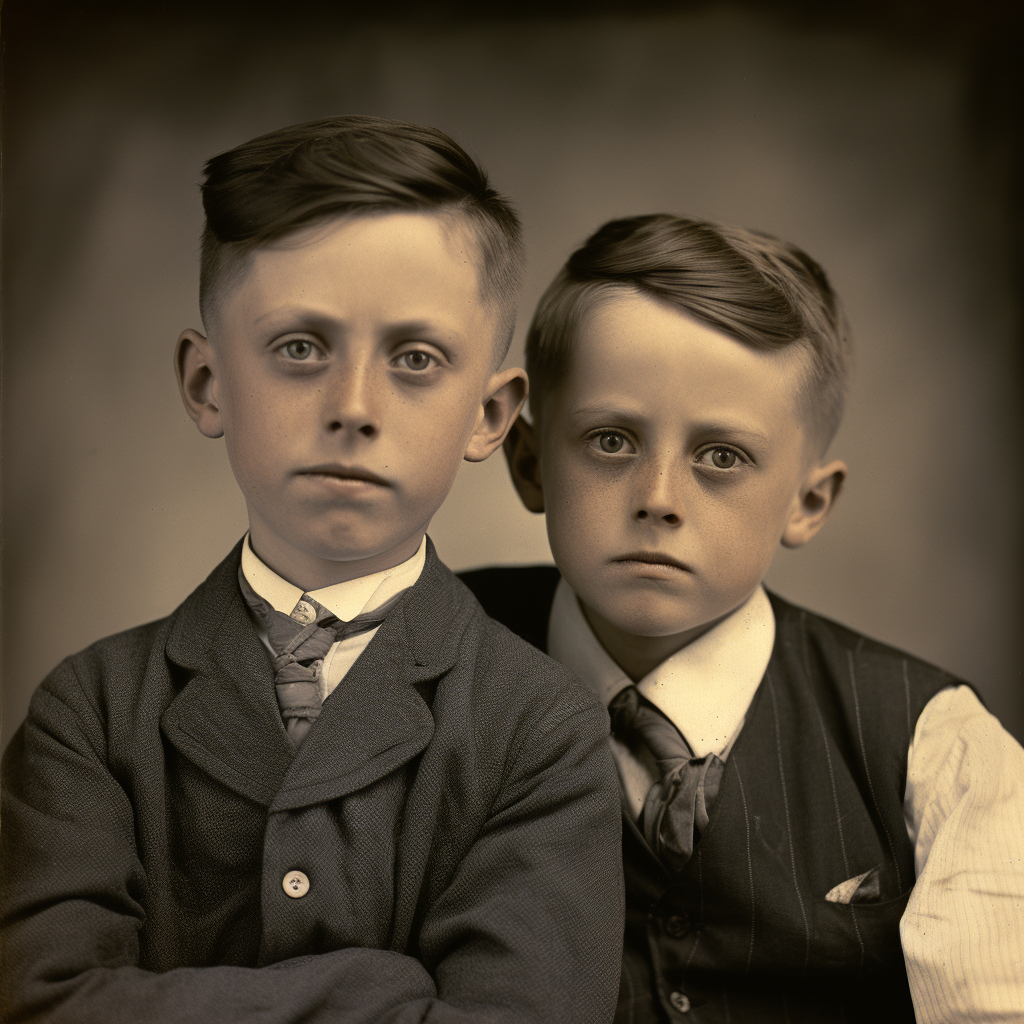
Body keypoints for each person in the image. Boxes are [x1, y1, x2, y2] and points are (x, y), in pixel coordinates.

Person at [0, 116, 624, 1024]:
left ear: (491, 414)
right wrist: (388, 988)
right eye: (300, 348)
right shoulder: (88, 714)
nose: (354, 407)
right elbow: (40, 1003)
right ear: (207, 382)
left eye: (415, 359)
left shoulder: (540, 729)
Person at [460, 214, 1024, 1024]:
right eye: (612, 439)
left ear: (808, 501)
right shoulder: (415, 656)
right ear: (528, 462)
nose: (658, 498)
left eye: (721, 456)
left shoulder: (935, 747)